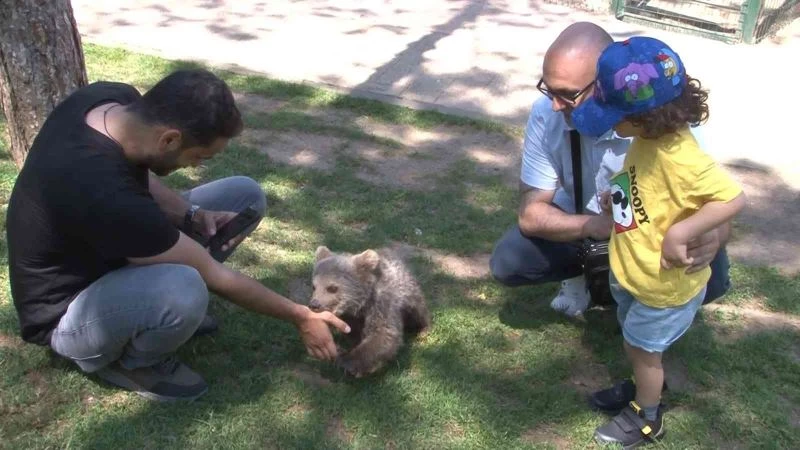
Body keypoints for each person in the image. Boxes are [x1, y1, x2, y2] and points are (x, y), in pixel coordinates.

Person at [6, 69, 350, 402]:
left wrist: (192, 214)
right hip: (66, 315)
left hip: (108, 256)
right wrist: (301, 316)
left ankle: (152, 312)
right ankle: (134, 363)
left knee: (245, 196)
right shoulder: (104, 193)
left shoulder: (111, 101)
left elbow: (133, 172)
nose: (197, 165)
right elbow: (214, 274)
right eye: (198, 156)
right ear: (169, 139)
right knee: (186, 286)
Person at [488, 20, 734, 419]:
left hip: (650, 234)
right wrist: (594, 226)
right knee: (510, 260)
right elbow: (531, 214)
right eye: (548, 89)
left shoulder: (658, 123)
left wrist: (710, 234)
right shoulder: (548, 114)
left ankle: (646, 402)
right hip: (594, 223)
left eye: (568, 95)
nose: (555, 105)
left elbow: (722, 198)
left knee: (712, 278)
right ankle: (587, 283)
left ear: (607, 85)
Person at [570, 36, 745, 447]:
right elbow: (643, 182)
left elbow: (732, 198)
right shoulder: (648, 140)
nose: (611, 125)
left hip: (662, 287)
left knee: (643, 351)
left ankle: (646, 416)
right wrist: (616, 196)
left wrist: (682, 232)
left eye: (615, 116)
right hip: (637, 272)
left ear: (646, 116)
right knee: (636, 345)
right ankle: (643, 387)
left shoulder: (683, 158)